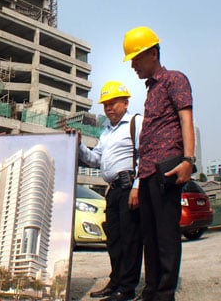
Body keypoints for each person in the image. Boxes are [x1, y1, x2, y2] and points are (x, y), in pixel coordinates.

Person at [122, 26, 195, 301]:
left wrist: (188, 159)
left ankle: (164, 293)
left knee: (165, 235)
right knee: (149, 236)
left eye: (137, 58)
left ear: (153, 53)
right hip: (149, 172)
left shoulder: (174, 80)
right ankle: (151, 289)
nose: (132, 65)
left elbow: (186, 119)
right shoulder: (151, 90)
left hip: (167, 167)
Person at [77, 81, 143, 301]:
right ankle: (115, 282)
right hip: (113, 191)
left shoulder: (136, 123)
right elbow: (95, 160)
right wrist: (79, 145)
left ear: (125, 102)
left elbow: (146, 156)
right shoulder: (106, 132)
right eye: (105, 104)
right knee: (113, 239)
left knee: (130, 240)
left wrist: (137, 187)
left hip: (129, 188)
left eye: (113, 103)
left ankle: (127, 289)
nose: (108, 108)